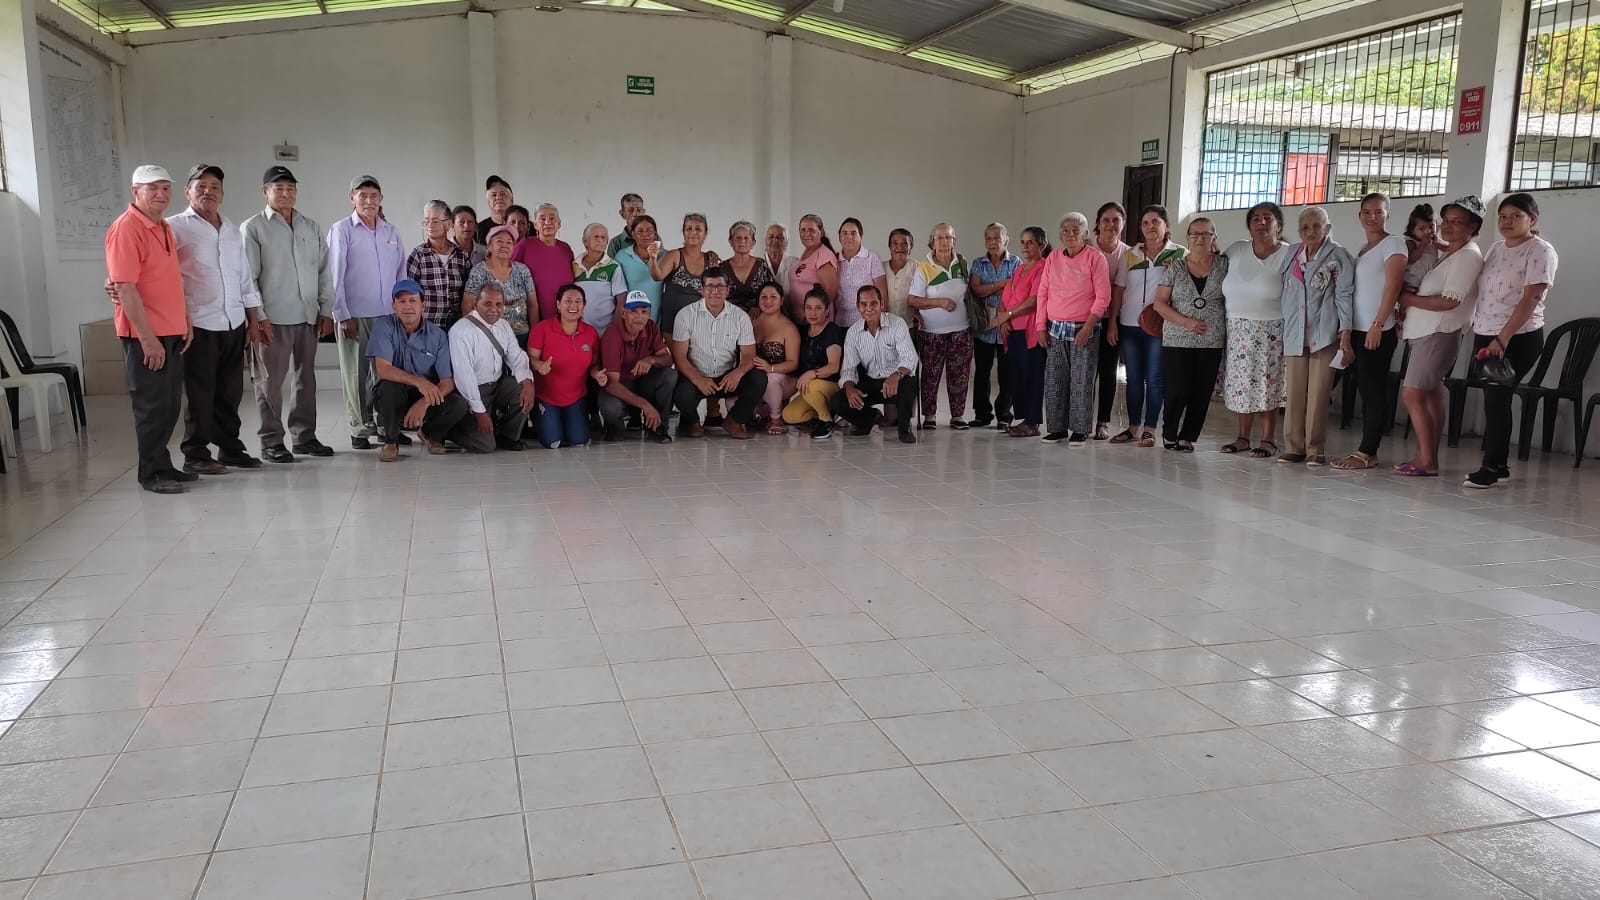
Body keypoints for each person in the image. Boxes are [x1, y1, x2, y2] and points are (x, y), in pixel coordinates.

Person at [165, 164, 264, 474]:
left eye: (215, 187)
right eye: (201, 186)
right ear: (187, 192)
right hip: (197, 324)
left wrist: (253, 321)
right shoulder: (173, 227)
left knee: (230, 392)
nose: (208, 191)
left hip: (232, 322)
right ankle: (195, 453)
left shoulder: (232, 230)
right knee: (200, 392)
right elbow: (162, 272)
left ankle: (229, 447)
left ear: (222, 193)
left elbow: (245, 278)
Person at [105, 165, 191, 494]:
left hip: (170, 330)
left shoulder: (164, 226)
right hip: (146, 335)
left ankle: (164, 466)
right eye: (152, 188)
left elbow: (170, 280)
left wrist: (184, 320)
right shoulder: (126, 228)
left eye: (165, 188)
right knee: (151, 407)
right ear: (135, 191)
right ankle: (151, 473)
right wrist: (148, 340)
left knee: (169, 406)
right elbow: (124, 286)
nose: (160, 194)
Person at [242, 165, 335, 464]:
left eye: (291, 188)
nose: (285, 193)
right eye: (278, 188)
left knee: (306, 380)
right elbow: (248, 277)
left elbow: (324, 272)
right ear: (265, 192)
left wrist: (325, 309)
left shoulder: (310, 226)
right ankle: (271, 441)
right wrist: (258, 316)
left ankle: (304, 437)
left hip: (307, 316)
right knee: (269, 384)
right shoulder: (253, 228)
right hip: (273, 319)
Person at [1464, 193, 1557, 489]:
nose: (1507, 222)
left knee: (1496, 399)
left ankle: (1491, 467)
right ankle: (1499, 464)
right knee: (1494, 400)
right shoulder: (1496, 248)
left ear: (1532, 219)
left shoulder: (1540, 251)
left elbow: (1531, 298)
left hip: (1518, 336)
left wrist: (1502, 339)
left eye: (1516, 216)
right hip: (1486, 332)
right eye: (1503, 216)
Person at [1395, 196, 1485, 477]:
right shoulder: (1453, 252)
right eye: (1445, 220)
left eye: (1457, 222)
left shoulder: (1468, 256)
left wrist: (1407, 300)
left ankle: (1427, 460)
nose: (1447, 226)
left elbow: (1450, 300)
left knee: (1412, 394)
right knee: (1432, 394)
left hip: (1438, 332)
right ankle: (1428, 457)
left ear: (1473, 226)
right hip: (1427, 332)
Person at [328, 174, 406, 451]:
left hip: (387, 315)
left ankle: (385, 425)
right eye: (363, 196)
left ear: (381, 199)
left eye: (374, 196)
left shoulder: (391, 232)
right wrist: (341, 314)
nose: (369, 201)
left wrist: (401, 310)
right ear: (352, 198)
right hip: (355, 315)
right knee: (355, 374)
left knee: (384, 373)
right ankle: (358, 428)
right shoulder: (342, 230)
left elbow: (401, 273)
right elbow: (334, 275)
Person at [1331, 193, 1408, 470]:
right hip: (1358, 329)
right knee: (1365, 388)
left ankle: (1367, 452)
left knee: (1373, 391)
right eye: (1366, 212)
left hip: (1376, 330)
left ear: (1388, 214)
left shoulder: (1393, 243)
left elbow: (1393, 287)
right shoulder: (1364, 249)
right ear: (1360, 215)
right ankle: (1366, 448)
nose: (1372, 216)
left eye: (1378, 211)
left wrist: (1378, 324)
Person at [1280, 206, 1355, 467]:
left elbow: (1344, 295)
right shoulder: (1292, 253)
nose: (1310, 231)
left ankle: (1314, 447)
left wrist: (1345, 331)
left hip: (1324, 332)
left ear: (1327, 228)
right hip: (1294, 331)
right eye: (1304, 227)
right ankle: (1293, 446)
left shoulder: (1339, 255)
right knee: (1294, 392)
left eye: (1316, 226)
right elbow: (1285, 291)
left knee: (1319, 393)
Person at [368, 280, 470, 461]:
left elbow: (447, 381)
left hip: (425, 395)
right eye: (401, 301)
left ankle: (431, 434)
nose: (407, 306)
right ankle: (391, 442)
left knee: (458, 404)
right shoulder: (383, 326)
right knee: (388, 388)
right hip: (396, 394)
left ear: (423, 305)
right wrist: (419, 381)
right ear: (394, 306)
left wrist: (423, 403)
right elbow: (383, 369)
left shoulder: (438, 336)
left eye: (413, 300)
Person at [1221, 202, 1292, 458]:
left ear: (1279, 225)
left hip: (1271, 330)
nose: (1261, 222)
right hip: (1237, 329)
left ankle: (1268, 439)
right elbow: (1213, 269)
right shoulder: (1237, 249)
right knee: (1242, 385)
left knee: (1267, 384)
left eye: (1267, 218)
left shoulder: (1289, 254)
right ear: (1249, 227)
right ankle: (1242, 437)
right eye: (1256, 219)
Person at [1153, 217, 1228, 452]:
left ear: (1214, 238)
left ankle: (1188, 436)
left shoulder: (1224, 266)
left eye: (1206, 234)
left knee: (1202, 391)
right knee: (1176, 389)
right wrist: (1187, 322)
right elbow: (1159, 303)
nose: (1200, 238)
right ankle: (1169, 433)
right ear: (1187, 238)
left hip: (1211, 339)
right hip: (1177, 338)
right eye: (1195, 234)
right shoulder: (1176, 267)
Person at [1112, 206, 1183, 447]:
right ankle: (1133, 427)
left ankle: (1150, 429)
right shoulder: (1130, 254)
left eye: (1156, 222)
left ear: (1166, 225)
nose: (1150, 227)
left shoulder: (1179, 254)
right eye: (1145, 223)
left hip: (1159, 326)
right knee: (1133, 378)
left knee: (1154, 379)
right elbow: (1119, 290)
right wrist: (1112, 323)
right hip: (1129, 324)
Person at [1037, 212, 1111, 446]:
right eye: (1065, 231)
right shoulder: (1053, 257)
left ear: (1086, 234)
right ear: (1060, 235)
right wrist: (1040, 326)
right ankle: (1057, 428)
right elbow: (1043, 292)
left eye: (1075, 230)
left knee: (1082, 380)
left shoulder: (1096, 258)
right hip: (1055, 328)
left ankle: (1080, 430)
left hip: (1084, 328)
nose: (1070, 234)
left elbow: (1103, 297)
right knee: (1055, 379)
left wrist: (1088, 327)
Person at [670, 267, 764, 439]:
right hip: (696, 376)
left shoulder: (740, 316)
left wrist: (737, 373)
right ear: (701, 289)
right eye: (710, 287)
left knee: (758, 378)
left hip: (726, 377)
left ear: (728, 290)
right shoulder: (685, 315)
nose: (715, 292)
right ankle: (692, 422)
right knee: (681, 392)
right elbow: (679, 357)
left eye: (720, 287)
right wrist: (698, 379)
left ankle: (734, 420)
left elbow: (749, 354)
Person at [447, 283, 536, 452]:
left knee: (523, 391)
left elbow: (516, 356)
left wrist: (527, 382)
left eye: (499, 304)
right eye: (487, 303)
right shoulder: (461, 331)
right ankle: (449, 430)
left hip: (497, 384)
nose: (494, 309)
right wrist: (479, 412)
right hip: (474, 390)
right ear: (476, 304)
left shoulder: (503, 325)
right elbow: (464, 376)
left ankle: (507, 436)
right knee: (485, 446)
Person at [830, 285, 919, 444]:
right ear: (858, 307)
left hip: (897, 381)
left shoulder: (897, 324)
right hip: (871, 381)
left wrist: (896, 375)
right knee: (838, 400)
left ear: (881, 304)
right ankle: (868, 419)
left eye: (873, 303)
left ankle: (904, 430)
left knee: (908, 384)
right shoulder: (853, 333)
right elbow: (848, 370)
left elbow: (910, 358)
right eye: (863, 304)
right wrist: (849, 389)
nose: (869, 308)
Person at [526, 284, 606, 449]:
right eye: (568, 300)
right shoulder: (542, 329)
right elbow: (531, 358)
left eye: (578, 301)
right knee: (552, 442)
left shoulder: (590, 333)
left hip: (576, 397)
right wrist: (539, 365)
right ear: (558, 304)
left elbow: (594, 363)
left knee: (578, 441)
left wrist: (597, 374)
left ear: (584, 306)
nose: (573, 305)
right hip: (546, 397)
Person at [910, 223, 973, 430]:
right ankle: (929, 416)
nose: (944, 241)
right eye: (939, 237)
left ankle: (958, 416)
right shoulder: (924, 267)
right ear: (932, 242)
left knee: (960, 375)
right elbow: (913, 299)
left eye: (948, 237)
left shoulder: (963, 263)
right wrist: (939, 302)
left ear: (954, 241)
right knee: (930, 375)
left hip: (962, 330)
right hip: (932, 333)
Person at [599, 291, 677, 444]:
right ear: (623, 313)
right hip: (619, 385)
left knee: (669, 375)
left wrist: (651, 360)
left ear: (649, 314)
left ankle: (658, 428)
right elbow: (612, 384)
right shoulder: (612, 335)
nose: (639, 317)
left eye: (644, 312)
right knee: (611, 408)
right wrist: (645, 406)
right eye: (633, 311)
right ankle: (614, 427)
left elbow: (668, 360)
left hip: (642, 382)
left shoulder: (651, 327)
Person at [997, 226, 1049, 438]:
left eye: (1030, 242)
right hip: (1013, 331)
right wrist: (1003, 319)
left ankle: (1032, 422)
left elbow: (1034, 300)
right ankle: (1023, 420)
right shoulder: (1019, 269)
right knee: (1017, 376)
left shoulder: (1043, 267)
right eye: (1023, 242)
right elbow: (1005, 298)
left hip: (1030, 331)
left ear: (1041, 245)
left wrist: (1008, 314)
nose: (1025, 246)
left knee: (1032, 376)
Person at [968, 222, 1018, 429]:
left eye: (997, 237)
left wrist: (989, 288)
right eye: (988, 238)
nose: (992, 242)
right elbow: (976, 290)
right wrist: (1001, 285)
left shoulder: (1015, 262)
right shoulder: (978, 263)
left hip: (1007, 324)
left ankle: (1004, 414)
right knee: (982, 372)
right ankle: (982, 414)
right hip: (984, 325)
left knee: (1007, 372)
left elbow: (1016, 290)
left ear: (1006, 239)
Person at [1092, 202, 1132, 440]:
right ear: (1098, 223)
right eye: (1105, 220)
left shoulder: (1128, 253)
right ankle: (1081, 420)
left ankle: (1103, 422)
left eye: (1116, 220)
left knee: (1108, 371)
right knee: (1086, 372)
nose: (1110, 225)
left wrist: (1113, 323)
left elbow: (1121, 289)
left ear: (1123, 224)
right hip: (1086, 319)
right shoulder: (1086, 247)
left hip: (1113, 319)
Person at [782, 288, 846, 436]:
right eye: (809, 308)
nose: (813, 313)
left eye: (818, 308)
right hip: (810, 389)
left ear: (826, 310)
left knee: (810, 384)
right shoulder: (804, 331)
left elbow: (834, 366)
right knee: (789, 415)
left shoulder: (831, 330)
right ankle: (824, 413)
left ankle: (826, 420)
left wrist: (811, 374)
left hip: (831, 385)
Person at [651, 213, 720, 337]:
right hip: (672, 323)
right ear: (683, 232)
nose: (693, 232)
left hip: (700, 324)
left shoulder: (710, 259)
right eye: (689, 229)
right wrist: (653, 259)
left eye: (698, 229)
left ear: (705, 233)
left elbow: (717, 290)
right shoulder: (675, 255)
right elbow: (657, 276)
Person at [408, 200, 472, 329]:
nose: (430, 225)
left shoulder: (461, 255)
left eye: (435, 221)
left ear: (448, 224)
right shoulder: (418, 255)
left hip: (458, 326)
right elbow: (411, 293)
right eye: (426, 221)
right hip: (429, 326)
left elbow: (469, 291)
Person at [463, 225, 536, 337]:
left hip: (522, 334)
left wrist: (535, 335)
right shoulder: (479, 271)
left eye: (509, 242)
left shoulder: (522, 270)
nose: (504, 245)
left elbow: (532, 305)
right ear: (489, 246)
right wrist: (477, 335)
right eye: (499, 241)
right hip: (490, 336)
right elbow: (467, 306)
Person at [511, 203, 576, 324]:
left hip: (564, 317)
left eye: (552, 218)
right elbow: (510, 278)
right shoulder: (524, 246)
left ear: (559, 224)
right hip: (532, 317)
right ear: (535, 224)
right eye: (542, 219)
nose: (547, 222)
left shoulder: (566, 248)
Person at [751, 284, 801, 434]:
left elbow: (793, 363)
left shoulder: (789, 328)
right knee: (731, 402)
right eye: (764, 297)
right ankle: (759, 414)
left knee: (771, 379)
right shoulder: (750, 322)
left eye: (773, 297)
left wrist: (770, 368)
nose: (768, 301)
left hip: (783, 380)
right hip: (756, 379)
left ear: (781, 300)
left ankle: (776, 418)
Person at [572, 223, 628, 333]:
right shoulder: (574, 266)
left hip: (605, 331)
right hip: (579, 331)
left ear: (607, 243)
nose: (600, 240)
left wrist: (615, 331)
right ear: (585, 241)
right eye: (596, 236)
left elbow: (621, 300)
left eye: (603, 237)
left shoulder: (613, 266)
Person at [835, 218, 887, 330]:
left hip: (866, 323)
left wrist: (881, 325)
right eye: (844, 233)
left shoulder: (872, 257)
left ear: (861, 236)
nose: (849, 237)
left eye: (853, 233)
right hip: (840, 323)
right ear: (839, 237)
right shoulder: (835, 259)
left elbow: (882, 293)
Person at [787, 214, 839, 319]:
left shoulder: (824, 255)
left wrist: (813, 315)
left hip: (814, 321)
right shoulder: (808, 252)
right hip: (801, 319)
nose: (807, 234)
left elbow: (831, 290)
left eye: (811, 230)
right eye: (803, 230)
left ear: (821, 232)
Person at [616, 215, 664, 322]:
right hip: (631, 316)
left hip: (658, 317)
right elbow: (617, 290)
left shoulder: (665, 256)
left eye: (649, 231)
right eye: (640, 231)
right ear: (633, 234)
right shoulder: (622, 256)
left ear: (655, 234)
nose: (645, 234)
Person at [724, 221, 777, 312]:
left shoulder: (762, 266)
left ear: (753, 242)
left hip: (759, 316)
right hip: (729, 316)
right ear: (731, 242)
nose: (742, 241)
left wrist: (760, 307)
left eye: (746, 238)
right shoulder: (722, 268)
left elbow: (773, 292)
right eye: (738, 238)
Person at [1404, 203, 1442, 289]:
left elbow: (1448, 249)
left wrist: (1438, 243)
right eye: (1422, 229)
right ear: (1412, 230)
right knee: (1410, 290)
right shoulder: (1410, 241)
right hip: (1413, 277)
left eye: (1431, 226)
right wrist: (1423, 245)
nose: (1428, 231)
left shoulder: (1437, 239)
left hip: (1430, 275)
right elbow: (1411, 258)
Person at [883, 228, 916, 325]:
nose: (899, 247)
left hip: (909, 325)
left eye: (904, 243)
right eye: (895, 243)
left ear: (910, 248)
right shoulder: (881, 268)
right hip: (885, 325)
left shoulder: (917, 268)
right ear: (889, 247)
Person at [476, 176, 513, 244]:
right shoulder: (478, 229)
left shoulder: (525, 226)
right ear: (488, 202)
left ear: (511, 200)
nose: (498, 197)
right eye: (494, 195)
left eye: (502, 194)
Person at [608, 193, 646, 259]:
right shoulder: (615, 243)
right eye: (630, 210)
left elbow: (661, 262)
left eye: (639, 210)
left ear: (643, 212)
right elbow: (610, 265)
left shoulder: (654, 238)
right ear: (622, 214)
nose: (635, 214)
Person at [766, 224, 799, 294]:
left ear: (787, 242)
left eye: (780, 237)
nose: (775, 240)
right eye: (771, 237)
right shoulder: (757, 264)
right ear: (765, 241)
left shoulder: (796, 264)